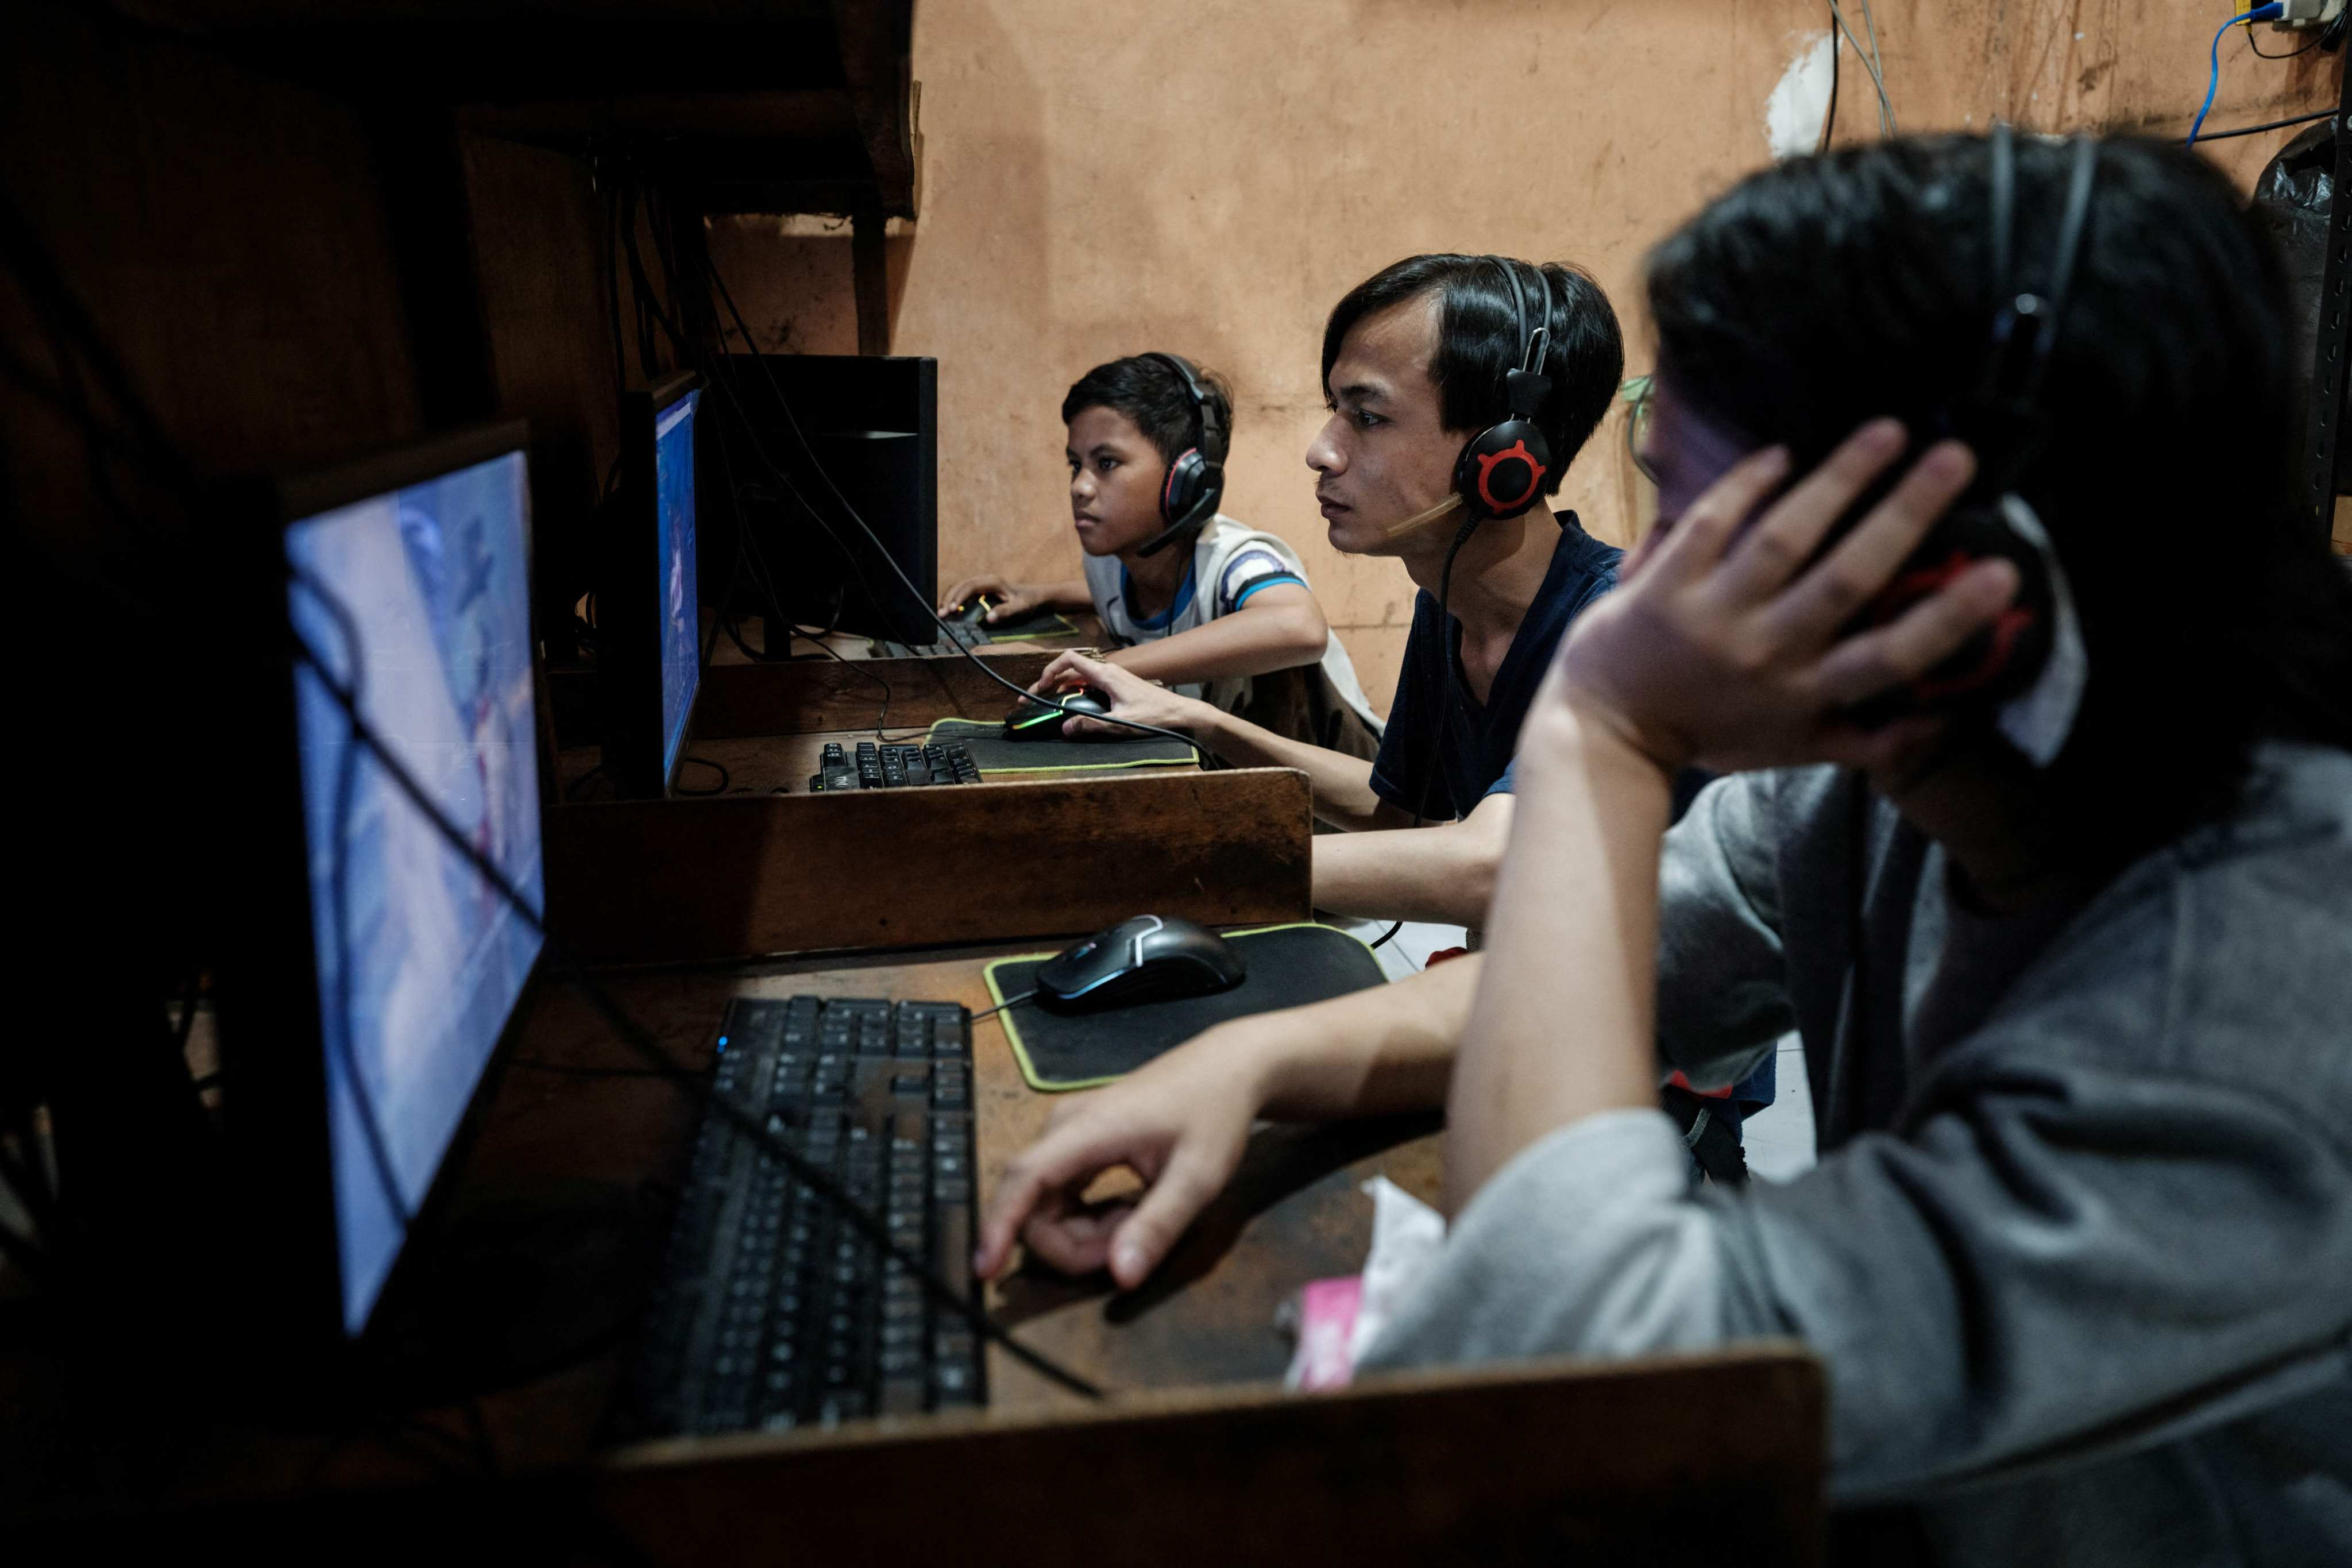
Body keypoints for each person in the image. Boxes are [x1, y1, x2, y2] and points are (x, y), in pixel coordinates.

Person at [976, 132, 2352, 1563]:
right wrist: (1252, 1062)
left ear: (1964, 574)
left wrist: (1595, 728)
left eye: (1714, 520)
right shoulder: (1869, 777)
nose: (1664, 592)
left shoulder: (2262, 987)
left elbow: (1575, 1353)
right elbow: (1587, 976)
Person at [1028, 255, 1625, 928]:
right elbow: (1400, 812)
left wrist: (1169, 863)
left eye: (1367, 417)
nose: (1321, 451)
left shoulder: (1622, 627)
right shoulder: (1449, 608)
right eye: (1335, 411)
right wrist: (1199, 722)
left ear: (1503, 451)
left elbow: (1493, 864)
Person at [939, 353, 1383, 754]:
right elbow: (1152, 600)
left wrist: (1102, 668)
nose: (1080, 486)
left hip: (1347, 779)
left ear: (1183, 477)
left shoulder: (1236, 559)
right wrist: (1039, 595)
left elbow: (1299, 627)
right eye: (1076, 465)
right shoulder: (1108, 565)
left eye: (1107, 463)